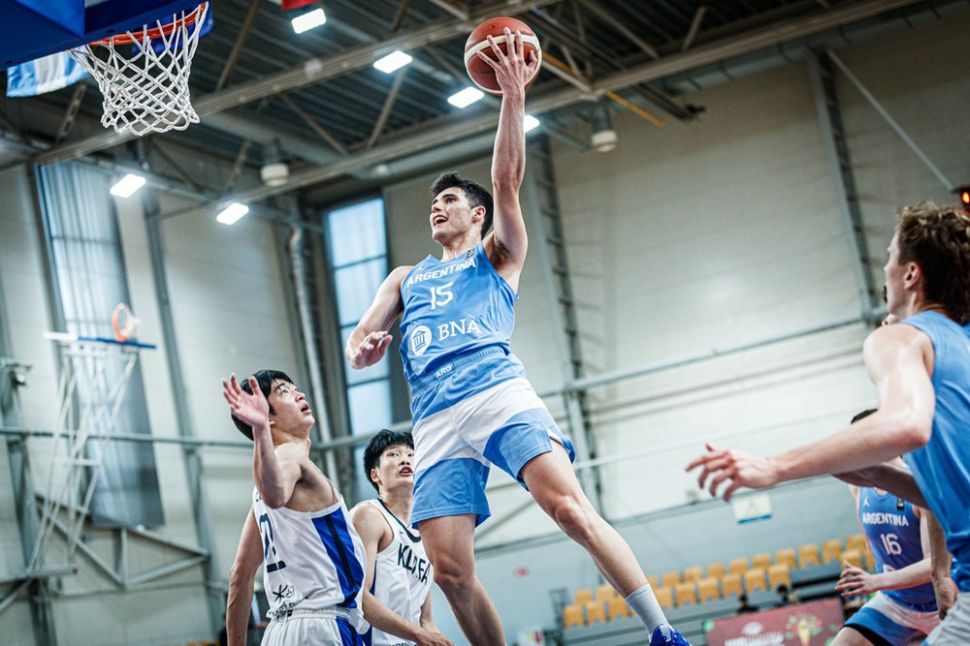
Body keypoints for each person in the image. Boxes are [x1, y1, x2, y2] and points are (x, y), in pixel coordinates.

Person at [346, 28, 689, 646]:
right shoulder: (405, 277)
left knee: (569, 510)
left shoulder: (497, 255)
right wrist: (364, 349)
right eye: (433, 202)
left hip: (495, 391)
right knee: (450, 573)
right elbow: (360, 338)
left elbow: (506, 180)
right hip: (434, 420)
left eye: (450, 200)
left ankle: (662, 630)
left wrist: (513, 97)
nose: (437, 207)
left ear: (477, 214)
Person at [685, 203, 970, 644]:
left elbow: (905, 423)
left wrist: (775, 466)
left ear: (911, 273)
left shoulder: (900, 338)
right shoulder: (961, 343)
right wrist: (877, 474)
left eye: (890, 257)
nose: (885, 268)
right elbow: (952, 494)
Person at [223, 370, 368, 646]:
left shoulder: (258, 497)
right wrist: (261, 432)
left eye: (295, 388)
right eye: (284, 391)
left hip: (280, 632)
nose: (299, 393)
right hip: (320, 626)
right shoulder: (289, 455)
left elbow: (238, 577)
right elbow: (276, 493)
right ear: (267, 417)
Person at [831, 410, 939, 646]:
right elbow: (872, 544)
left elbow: (933, 564)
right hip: (895, 602)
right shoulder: (858, 487)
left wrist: (876, 581)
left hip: (940, 600)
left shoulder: (919, 487)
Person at [350, 430, 451, 646]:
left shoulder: (427, 533)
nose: (405, 459)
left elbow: (426, 620)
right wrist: (418, 634)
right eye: (394, 454)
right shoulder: (369, 515)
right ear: (375, 475)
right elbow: (358, 597)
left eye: (410, 455)